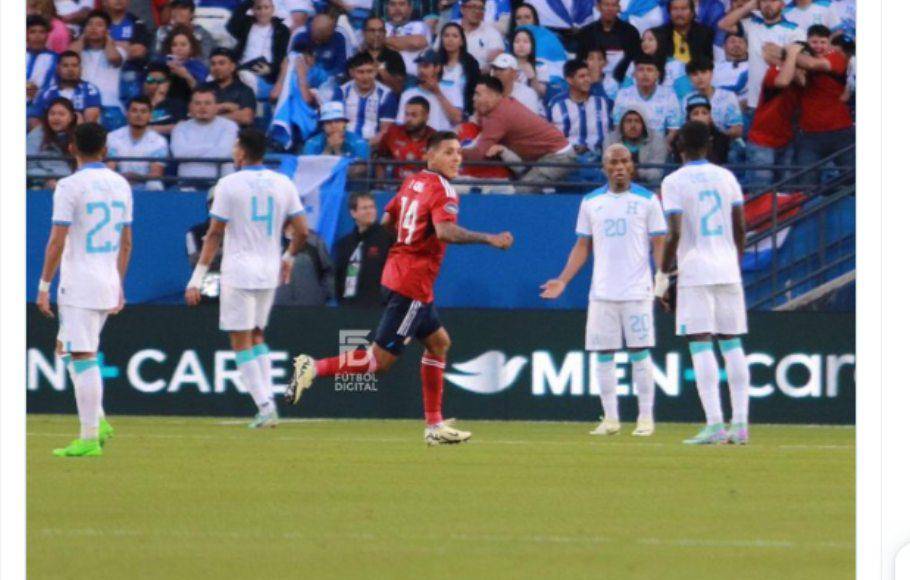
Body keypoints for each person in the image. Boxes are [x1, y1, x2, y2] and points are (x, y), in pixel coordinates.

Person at [285, 131, 515, 446]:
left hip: (398, 274)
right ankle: (313, 367)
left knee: (439, 343)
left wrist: (406, 245)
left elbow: (388, 218)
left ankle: (434, 425)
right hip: (412, 284)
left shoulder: (413, 181)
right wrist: (488, 238)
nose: (456, 158)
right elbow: (445, 231)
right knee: (379, 362)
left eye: (458, 152)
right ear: (430, 155)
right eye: (448, 152)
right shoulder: (445, 190)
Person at [185, 128, 310, 429]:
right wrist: (288, 257)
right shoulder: (283, 183)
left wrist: (197, 277)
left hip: (239, 270)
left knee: (240, 340)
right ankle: (268, 403)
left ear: (241, 151)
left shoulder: (228, 184)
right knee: (257, 336)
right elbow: (303, 230)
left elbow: (214, 233)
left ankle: (265, 406)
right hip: (270, 269)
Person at [541, 144, 666, 436]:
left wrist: (663, 277)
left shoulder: (648, 200)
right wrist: (563, 279)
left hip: (637, 292)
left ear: (632, 165)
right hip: (602, 292)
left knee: (640, 353)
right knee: (603, 355)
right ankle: (611, 419)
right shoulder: (590, 202)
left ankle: (645, 418)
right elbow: (583, 245)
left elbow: (659, 242)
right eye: (613, 162)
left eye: (624, 161)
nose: (619, 167)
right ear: (604, 167)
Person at [36, 122, 132, 457]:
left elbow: (56, 241)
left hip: (79, 282)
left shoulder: (69, 186)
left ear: (73, 147)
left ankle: (89, 438)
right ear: (105, 148)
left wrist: (44, 285)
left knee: (81, 355)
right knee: (65, 349)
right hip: (106, 279)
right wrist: (119, 284)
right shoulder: (121, 184)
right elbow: (126, 242)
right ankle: (100, 421)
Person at [656, 120, 750, 445]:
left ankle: (714, 424)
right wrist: (733, 259)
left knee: (700, 343)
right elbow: (740, 228)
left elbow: (675, 232)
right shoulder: (727, 177)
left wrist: (663, 275)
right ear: (708, 145)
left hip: (695, 270)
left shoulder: (673, 182)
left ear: (678, 146)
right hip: (727, 267)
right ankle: (740, 425)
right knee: (732, 343)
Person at [464, 76, 576, 193]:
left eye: (478, 94)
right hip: (546, 156)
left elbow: (478, 155)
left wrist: (454, 153)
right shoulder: (504, 104)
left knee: (520, 193)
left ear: (492, 95)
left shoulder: (498, 117)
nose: (473, 98)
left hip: (558, 157)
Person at [793, 24, 854, 186]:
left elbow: (813, 65)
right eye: (814, 42)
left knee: (853, 180)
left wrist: (790, 53)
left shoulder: (836, 57)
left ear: (829, 44)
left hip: (840, 131)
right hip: (809, 134)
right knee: (807, 185)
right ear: (807, 42)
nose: (819, 46)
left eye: (823, 42)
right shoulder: (802, 59)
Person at [718, 0, 804, 111]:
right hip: (755, 101)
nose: (768, 4)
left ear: (782, 5)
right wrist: (748, 6)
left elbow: (799, 65)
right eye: (764, 1)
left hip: (783, 99)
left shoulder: (795, 30)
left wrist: (779, 55)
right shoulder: (751, 24)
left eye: (773, 1)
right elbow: (723, 24)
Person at [746, 41, 803, 191]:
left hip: (786, 140)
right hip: (762, 141)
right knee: (761, 191)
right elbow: (783, 81)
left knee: (786, 192)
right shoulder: (774, 71)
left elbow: (802, 80)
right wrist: (792, 53)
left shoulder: (802, 77)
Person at [68, 10, 127, 129]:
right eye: (89, 24)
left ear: (107, 30)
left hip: (109, 104)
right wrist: (83, 37)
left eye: (99, 25)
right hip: (82, 105)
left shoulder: (119, 51)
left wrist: (109, 40)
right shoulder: (79, 52)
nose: (93, 28)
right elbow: (69, 56)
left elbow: (114, 59)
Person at [334, 192, 393, 307]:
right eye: (364, 208)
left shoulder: (388, 239)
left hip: (378, 309)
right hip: (349, 309)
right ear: (353, 213)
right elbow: (338, 277)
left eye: (372, 207)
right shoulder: (344, 244)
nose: (369, 211)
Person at [171, 87, 240, 181]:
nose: (202, 107)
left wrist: (191, 151)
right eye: (197, 103)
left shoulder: (229, 126)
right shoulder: (180, 127)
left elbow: (223, 153)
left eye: (207, 103)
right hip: (187, 185)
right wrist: (212, 147)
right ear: (190, 107)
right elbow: (179, 153)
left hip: (219, 185)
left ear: (216, 106)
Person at [547, 59, 612, 157]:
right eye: (582, 76)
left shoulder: (601, 102)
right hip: (567, 159)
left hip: (599, 159)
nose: (587, 80)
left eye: (588, 76)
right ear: (569, 80)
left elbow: (610, 131)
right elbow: (550, 135)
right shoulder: (556, 104)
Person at [612, 55, 683, 142]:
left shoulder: (669, 95)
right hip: (630, 145)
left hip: (659, 147)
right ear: (634, 74)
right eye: (641, 70)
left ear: (657, 74)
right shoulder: (623, 95)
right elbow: (617, 127)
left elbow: (673, 130)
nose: (645, 74)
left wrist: (661, 147)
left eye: (649, 70)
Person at [333, 53, 399, 145]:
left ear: (375, 72)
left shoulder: (386, 95)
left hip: (374, 146)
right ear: (352, 73)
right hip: (345, 143)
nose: (365, 77)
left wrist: (365, 147)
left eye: (369, 71)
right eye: (360, 72)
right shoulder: (342, 92)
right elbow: (334, 125)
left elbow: (385, 130)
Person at [106, 96, 170, 190]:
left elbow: (156, 173)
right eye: (134, 111)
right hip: (119, 185)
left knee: (155, 184)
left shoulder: (158, 141)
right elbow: (110, 169)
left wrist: (134, 177)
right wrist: (125, 178)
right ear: (127, 114)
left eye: (143, 111)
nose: (139, 115)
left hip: (144, 186)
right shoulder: (113, 137)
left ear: (150, 115)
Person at [29, 51, 102, 129]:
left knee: (78, 116)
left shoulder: (90, 90)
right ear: (58, 69)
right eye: (65, 66)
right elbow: (34, 118)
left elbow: (90, 122)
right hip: (51, 135)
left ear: (80, 69)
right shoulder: (47, 92)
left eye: (74, 65)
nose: (70, 69)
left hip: (78, 135)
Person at [395, 50, 464, 132]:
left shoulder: (451, 87)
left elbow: (457, 119)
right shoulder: (408, 93)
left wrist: (438, 93)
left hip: (443, 139)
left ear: (437, 68)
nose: (421, 70)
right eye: (419, 66)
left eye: (425, 66)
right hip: (418, 140)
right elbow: (401, 124)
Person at [227, 0, 291, 87]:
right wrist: (250, 2)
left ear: (272, 9)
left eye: (266, 8)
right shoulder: (246, 24)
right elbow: (231, 26)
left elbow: (282, 56)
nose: (262, 12)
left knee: (247, 78)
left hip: (267, 73)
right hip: (242, 68)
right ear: (253, 10)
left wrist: (271, 69)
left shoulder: (282, 30)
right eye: (258, 8)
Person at [574, 0, 641, 81]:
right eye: (606, 5)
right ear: (598, 7)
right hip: (592, 82)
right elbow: (579, 62)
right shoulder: (586, 32)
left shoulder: (631, 32)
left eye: (614, 5)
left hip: (624, 82)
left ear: (619, 8)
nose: (610, 9)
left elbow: (636, 61)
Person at [376, 96, 437, 180]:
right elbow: (380, 158)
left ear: (426, 117)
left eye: (414, 115)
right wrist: (380, 184)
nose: (408, 119)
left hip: (424, 188)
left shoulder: (436, 138)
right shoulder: (393, 133)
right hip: (396, 187)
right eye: (406, 114)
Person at [682, 58, 743, 139]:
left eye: (704, 72)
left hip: (725, 144)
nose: (700, 77)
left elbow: (737, 130)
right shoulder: (687, 99)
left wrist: (717, 137)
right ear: (689, 78)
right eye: (695, 74)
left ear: (711, 74)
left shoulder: (728, 97)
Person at [27, 97, 78, 188]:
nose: (56, 118)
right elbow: (28, 166)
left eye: (61, 114)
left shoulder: (80, 135)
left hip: (75, 184)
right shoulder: (36, 136)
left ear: (71, 117)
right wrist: (47, 179)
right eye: (52, 114)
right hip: (45, 186)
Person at [273, 232, 334, 306]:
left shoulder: (314, 241)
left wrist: (322, 296)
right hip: (278, 309)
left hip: (311, 308)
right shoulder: (268, 241)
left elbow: (328, 271)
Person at [609, 106, 667, 183]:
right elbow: (607, 169)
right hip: (618, 185)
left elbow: (657, 173)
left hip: (648, 187)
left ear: (644, 125)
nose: (633, 125)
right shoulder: (611, 139)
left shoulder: (657, 140)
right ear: (622, 125)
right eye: (628, 121)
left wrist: (637, 173)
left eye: (637, 121)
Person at [204, 47, 258, 127]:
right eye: (213, 64)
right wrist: (227, 107)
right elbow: (194, 114)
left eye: (221, 63)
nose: (217, 67)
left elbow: (246, 118)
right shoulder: (203, 88)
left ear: (232, 66)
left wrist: (212, 114)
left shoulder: (244, 90)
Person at [436, 22, 481, 117]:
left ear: (461, 41)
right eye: (446, 36)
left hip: (463, 114)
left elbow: (475, 90)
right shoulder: (435, 62)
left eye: (455, 36)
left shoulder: (471, 64)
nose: (450, 39)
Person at [651, 0, 715, 66]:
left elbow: (707, 63)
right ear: (669, 13)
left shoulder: (704, 33)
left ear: (692, 12)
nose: (679, 13)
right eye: (675, 9)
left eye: (684, 9)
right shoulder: (658, 34)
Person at [671, 95, 730, 163]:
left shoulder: (721, 138)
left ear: (710, 117)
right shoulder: (679, 139)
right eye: (695, 114)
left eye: (704, 113)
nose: (700, 117)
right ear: (689, 118)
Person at [302, 102, 370, 162]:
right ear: (323, 126)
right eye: (328, 122)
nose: (333, 126)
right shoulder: (312, 143)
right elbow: (310, 171)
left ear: (345, 123)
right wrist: (328, 149)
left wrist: (337, 150)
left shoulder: (358, 142)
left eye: (337, 121)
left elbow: (360, 170)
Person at [158, 25, 210, 103]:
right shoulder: (161, 64)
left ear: (191, 47)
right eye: (174, 45)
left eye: (183, 45)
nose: (178, 48)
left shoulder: (198, 67)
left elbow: (201, 92)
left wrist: (186, 75)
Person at [358, 16, 407, 94]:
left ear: (385, 33)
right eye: (372, 30)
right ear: (364, 33)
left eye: (380, 30)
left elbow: (399, 88)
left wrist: (381, 70)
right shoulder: (357, 57)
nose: (377, 34)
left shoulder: (394, 56)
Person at [384, 0, 432, 78]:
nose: (397, 8)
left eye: (402, 4)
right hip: (385, 75)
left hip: (411, 77)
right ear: (387, 8)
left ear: (410, 8)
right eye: (392, 4)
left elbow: (416, 43)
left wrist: (382, 40)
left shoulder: (420, 26)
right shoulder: (382, 26)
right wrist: (404, 42)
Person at [457, 0, 506, 71]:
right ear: (462, 9)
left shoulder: (492, 33)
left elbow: (496, 63)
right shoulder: (451, 28)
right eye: (473, 7)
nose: (477, 11)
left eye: (481, 8)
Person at [143, 62, 188, 135]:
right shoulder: (138, 102)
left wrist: (151, 129)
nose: (155, 84)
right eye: (150, 79)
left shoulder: (177, 104)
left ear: (168, 83)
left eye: (160, 80)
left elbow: (182, 128)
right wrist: (154, 102)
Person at [28, 16, 60, 113]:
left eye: (42, 32)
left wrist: (39, 94)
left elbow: (60, 87)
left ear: (47, 35)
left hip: (43, 109)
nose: (37, 36)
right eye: (32, 32)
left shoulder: (56, 58)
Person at [509, 28, 549, 99]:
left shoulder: (540, 65)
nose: (521, 45)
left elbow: (541, 94)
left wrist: (533, 78)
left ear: (532, 45)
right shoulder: (505, 65)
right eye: (517, 42)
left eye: (526, 42)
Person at [712, 28, 748, 103]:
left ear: (747, 47)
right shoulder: (713, 68)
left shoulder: (754, 67)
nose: (737, 44)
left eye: (741, 42)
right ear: (724, 46)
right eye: (732, 41)